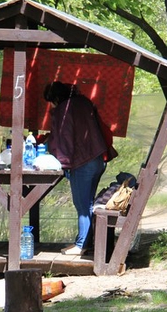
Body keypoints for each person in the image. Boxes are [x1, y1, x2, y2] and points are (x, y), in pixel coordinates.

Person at [43, 81, 107, 256]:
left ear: (56, 98)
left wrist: (63, 164)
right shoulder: (83, 102)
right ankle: (85, 242)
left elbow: (65, 138)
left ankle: (81, 245)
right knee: (88, 203)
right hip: (97, 158)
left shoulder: (64, 109)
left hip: (82, 161)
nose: (51, 105)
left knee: (82, 205)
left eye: (51, 101)